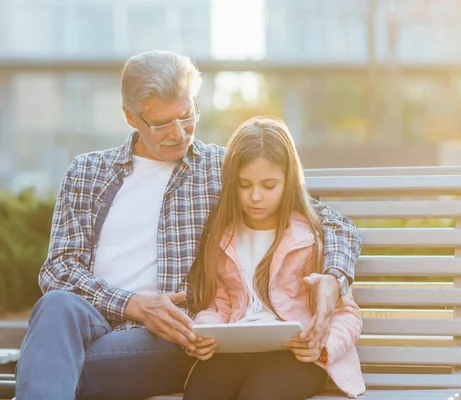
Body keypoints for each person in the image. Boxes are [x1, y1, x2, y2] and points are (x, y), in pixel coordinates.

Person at [14, 50, 361, 400]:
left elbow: (330, 221)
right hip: (91, 320)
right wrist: (132, 304)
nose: (179, 133)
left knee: (47, 364)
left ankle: (43, 373)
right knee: (56, 305)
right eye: (163, 123)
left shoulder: (219, 168)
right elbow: (58, 270)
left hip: (173, 336)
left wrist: (335, 276)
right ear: (130, 117)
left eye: (187, 115)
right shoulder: (87, 172)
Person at [183, 116, 365, 400]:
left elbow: (346, 313)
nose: (255, 197)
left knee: (259, 394)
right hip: (238, 352)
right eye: (245, 185)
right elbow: (219, 305)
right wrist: (203, 331)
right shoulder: (222, 239)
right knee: (202, 391)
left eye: (269, 186)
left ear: (288, 181)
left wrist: (323, 345)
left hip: (297, 357)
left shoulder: (311, 238)